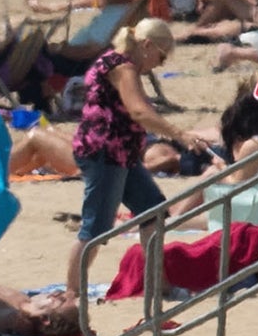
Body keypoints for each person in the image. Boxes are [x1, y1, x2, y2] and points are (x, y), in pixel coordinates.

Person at [68, 20, 218, 300]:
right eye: (161, 56)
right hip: (106, 153)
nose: (160, 64)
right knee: (95, 227)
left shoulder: (122, 66)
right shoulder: (122, 67)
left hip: (122, 154)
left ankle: (158, 286)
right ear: (147, 46)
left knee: (154, 213)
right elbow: (139, 112)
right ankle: (71, 294)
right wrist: (179, 134)